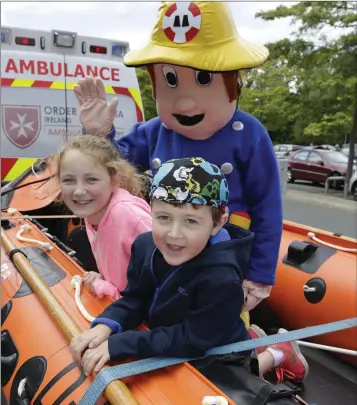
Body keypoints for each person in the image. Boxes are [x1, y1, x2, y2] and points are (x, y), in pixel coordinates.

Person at [73, 2, 283, 328]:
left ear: (233, 81)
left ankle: (264, 352)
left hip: (224, 252)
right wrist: (100, 134)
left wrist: (259, 274)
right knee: (168, 315)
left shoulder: (248, 134)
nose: (185, 101)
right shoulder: (156, 131)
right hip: (168, 243)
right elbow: (112, 169)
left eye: (203, 78)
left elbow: (268, 206)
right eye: (170, 79)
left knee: (220, 327)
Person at [70, 157, 308, 385]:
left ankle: (278, 353)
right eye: (164, 217)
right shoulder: (144, 246)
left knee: (239, 375)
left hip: (213, 349)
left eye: (191, 221)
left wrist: (121, 344)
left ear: (218, 223)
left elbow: (192, 340)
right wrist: (107, 324)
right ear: (150, 210)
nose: (174, 234)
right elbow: (134, 298)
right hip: (178, 331)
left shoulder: (221, 277)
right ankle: (250, 338)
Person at [53, 134, 152, 300]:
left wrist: (108, 289)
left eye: (91, 179)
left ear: (114, 181)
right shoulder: (93, 212)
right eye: (69, 180)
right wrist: (104, 279)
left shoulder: (129, 216)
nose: (79, 191)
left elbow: (164, 285)